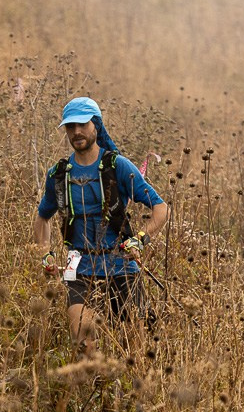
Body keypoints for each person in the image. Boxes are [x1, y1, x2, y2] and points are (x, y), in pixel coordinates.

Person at [33, 97, 169, 356]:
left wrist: (140, 239)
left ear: (96, 125)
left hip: (121, 265)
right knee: (84, 342)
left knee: (135, 349)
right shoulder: (59, 174)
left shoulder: (118, 166)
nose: (76, 132)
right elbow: (43, 217)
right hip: (79, 266)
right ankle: (96, 387)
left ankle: (130, 393)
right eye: (70, 127)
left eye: (82, 125)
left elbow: (161, 208)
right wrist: (45, 254)